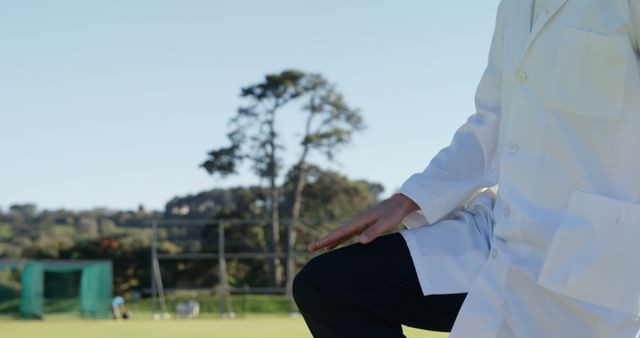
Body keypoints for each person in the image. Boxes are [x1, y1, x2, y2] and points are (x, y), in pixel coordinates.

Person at [293, 1, 640, 337]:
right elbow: (489, 123)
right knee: (331, 285)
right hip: (499, 234)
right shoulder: (514, 7)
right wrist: (407, 199)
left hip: (593, 248)